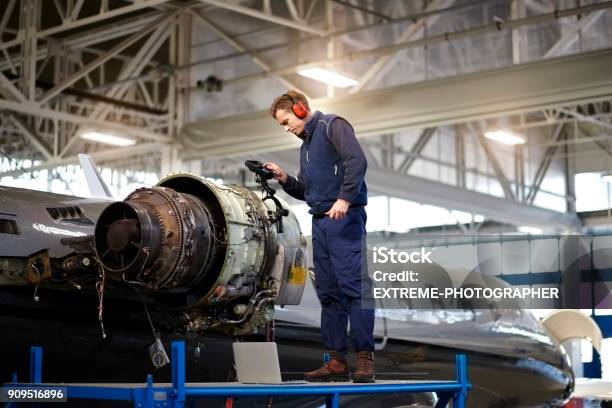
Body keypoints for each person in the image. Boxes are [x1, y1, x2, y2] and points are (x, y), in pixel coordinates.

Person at [264, 91, 375, 383]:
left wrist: (345, 199)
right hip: (322, 222)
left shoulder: (333, 126)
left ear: (300, 109)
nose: (286, 128)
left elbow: (357, 162)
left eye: (287, 120)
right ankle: (337, 360)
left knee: (354, 286)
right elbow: (308, 191)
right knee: (327, 291)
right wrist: (285, 179)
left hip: (344, 218)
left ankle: (365, 359)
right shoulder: (307, 146)